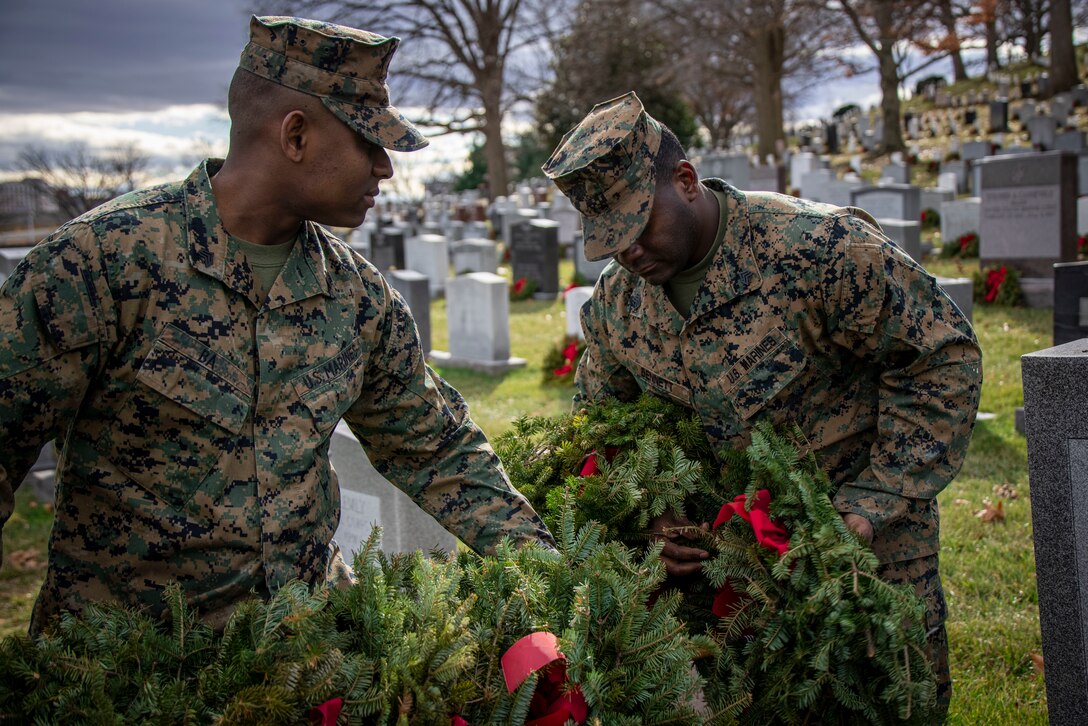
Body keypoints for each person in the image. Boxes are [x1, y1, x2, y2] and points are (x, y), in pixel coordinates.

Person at [0, 15, 553, 635]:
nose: (385, 169)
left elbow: (436, 447)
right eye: (368, 142)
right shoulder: (102, 263)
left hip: (304, 658)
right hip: (126, 672)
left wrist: (556, 577)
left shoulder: (358, 297)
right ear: (296, 135)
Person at [542, 91, 982, 720]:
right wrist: (653, 519)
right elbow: (604, 428)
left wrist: (872, 502)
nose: (628, 252)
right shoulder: (618, 307)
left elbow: (940, 357)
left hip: (864, 557)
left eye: (637, 225)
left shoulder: (819, 251)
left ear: (686, 181)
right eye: (608, 239)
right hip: (727, 583)